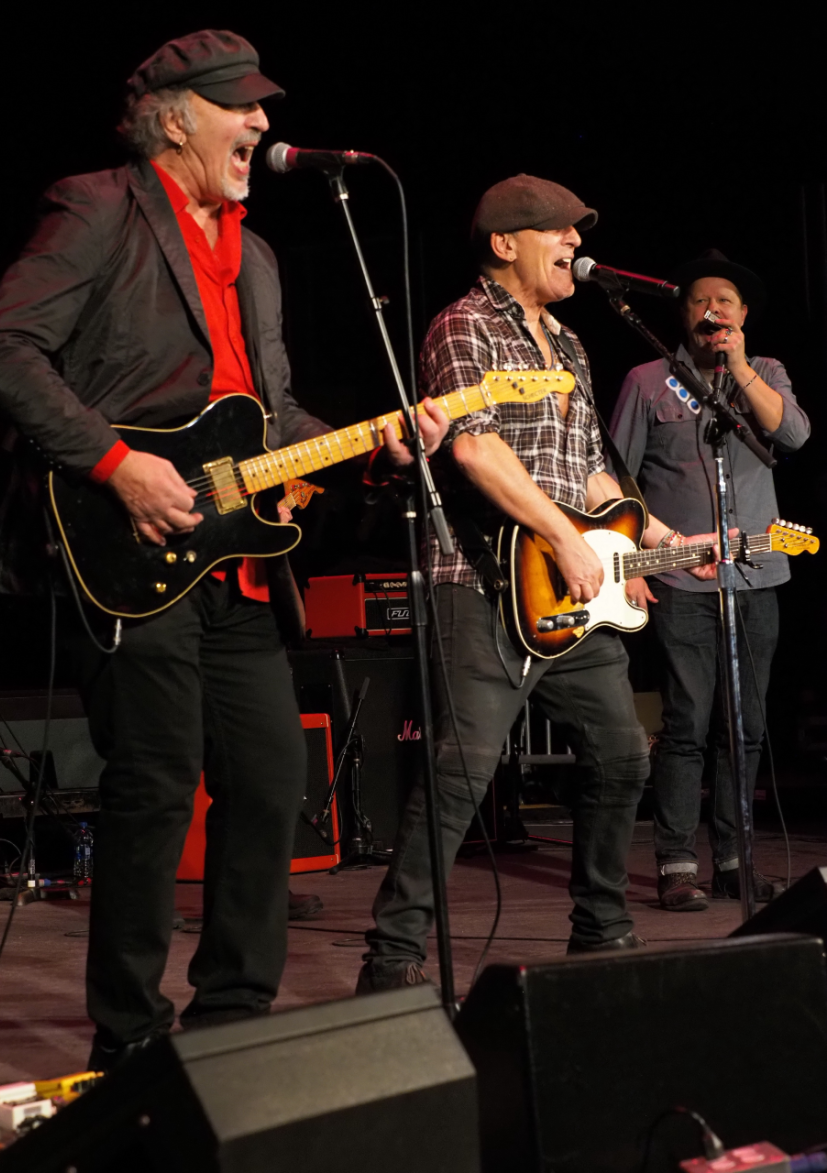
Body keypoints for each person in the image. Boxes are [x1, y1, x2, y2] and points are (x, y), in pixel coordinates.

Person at [0, 29, 446, 1068]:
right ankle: (130, 1034)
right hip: (126, 544)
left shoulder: (259, 257)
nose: (264, 124)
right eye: (242, 105)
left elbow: (266, 420)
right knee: (155, 780)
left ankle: (231, 1020)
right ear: (174, 118)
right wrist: (113, 464)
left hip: (236, 559)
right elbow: (2, 345)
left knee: (272, 778)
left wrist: (376, 446)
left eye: (265, 106)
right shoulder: (100, 207)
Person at [357, 175, 721, 989]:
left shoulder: (569, 342)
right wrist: (561, 537)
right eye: (560, 231)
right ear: (505, 242)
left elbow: (591, 472)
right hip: (481, 579)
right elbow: (474, 448)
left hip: (570, 594)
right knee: (463, 771)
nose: (575, 245)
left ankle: (601, 931)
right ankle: (393, 959)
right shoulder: (463, 325)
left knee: (622, 754)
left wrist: (663, 538)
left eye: (577, 233)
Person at [609, 249, 809, 911]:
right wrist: (635, 559)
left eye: (725, 300)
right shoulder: (647, 381)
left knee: (744, 726)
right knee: (688, 721)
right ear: (684, 312)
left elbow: (796, 436)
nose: (713, 310)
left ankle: (734, 858)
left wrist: (744, 367)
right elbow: (615, 481)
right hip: (679, 585)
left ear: (744, 315)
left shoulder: (767, 372)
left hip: (756, 576)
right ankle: (675, 862)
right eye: (700, 300)